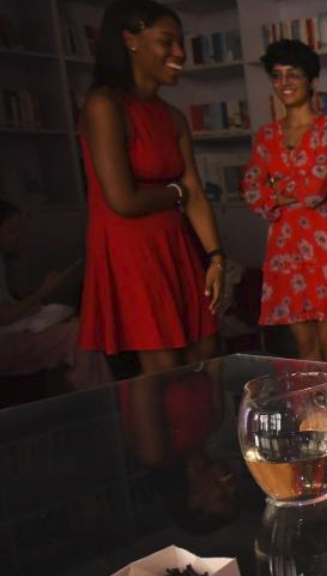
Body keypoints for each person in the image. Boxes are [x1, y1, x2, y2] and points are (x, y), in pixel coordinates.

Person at [78, 0, 225, 375]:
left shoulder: (172, 117)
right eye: (167, 41)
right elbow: (123, 200)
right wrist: (176, 194)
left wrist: (215, 256)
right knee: (161, 366)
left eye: (181, 42)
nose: (179, 53)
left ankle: (205, 434)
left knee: (205, 351)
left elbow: (194, 188)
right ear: (130, 40)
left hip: (175, 246)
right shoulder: (104, 106)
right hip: (131, 251)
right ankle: (155, 436)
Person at [242, 39, 327, 362]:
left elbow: (314, 190)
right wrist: (281, 191)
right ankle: (312, 412)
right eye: (278, 75)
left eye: (293, 75)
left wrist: (276, 188)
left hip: (322, 245)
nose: (284, 84)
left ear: (312, 81)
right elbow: (251, 191)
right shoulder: (266, 135)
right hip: (284, 251)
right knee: (303, 348)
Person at [0, 197, 112, 391]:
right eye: (12, 231)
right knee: (78, 334)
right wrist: (44, 291)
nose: (18, 237)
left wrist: (26, 299)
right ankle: (100, 396)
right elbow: (4, 317)